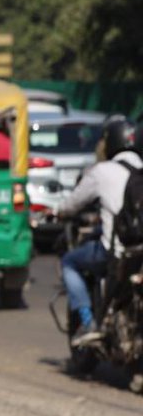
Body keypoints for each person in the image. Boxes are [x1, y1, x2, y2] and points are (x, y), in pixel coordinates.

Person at [56, 117, 141, 344]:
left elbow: (71, 204)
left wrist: (58, 212)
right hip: (138, 251)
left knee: (69, 262)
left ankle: (87, 321)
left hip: (114, 251)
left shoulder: (102, 171)